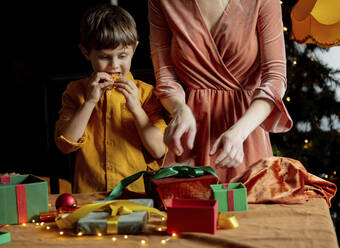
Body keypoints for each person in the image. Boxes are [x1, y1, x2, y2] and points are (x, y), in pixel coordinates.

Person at [148, 0, 293, 182]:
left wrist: (239, 132)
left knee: (245, 207)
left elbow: (275, 78)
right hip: (190, 138)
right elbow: (165, 76)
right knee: (188, 207)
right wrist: (179, 110)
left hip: (244, 136)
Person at [55, 4, 167, 193]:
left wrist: (136, 109)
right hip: (89, 195)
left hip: (136, 196)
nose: (114, 65)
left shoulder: (147, 93)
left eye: (123, 56)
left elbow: (158, 150)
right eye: (105, 57)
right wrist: (89, 102)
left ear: (134, 49)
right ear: (85, 52)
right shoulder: (75, 91)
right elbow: (65, 144)